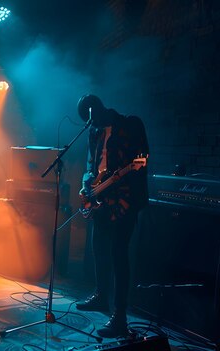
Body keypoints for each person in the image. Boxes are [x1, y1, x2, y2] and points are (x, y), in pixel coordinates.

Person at [74, 94, 149, 338]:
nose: (91, 125)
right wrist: (88, 184)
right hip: (101, 199)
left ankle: (120, 315)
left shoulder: (131, 124)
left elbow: (142, 160)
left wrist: (119, 181)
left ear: (97, 110)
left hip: (125, 199)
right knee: (98, 247)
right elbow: (91, 164)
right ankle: (100, 295)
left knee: (119, 254)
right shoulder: (94, 132)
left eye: (91, 120)